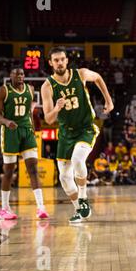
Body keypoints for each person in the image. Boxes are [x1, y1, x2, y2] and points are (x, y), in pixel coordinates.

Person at [41, 46, 114, 223]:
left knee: (78, 160)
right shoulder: (47, 86)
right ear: (51, 63)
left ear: (67, 60)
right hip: (66, 133)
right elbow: (49, 119)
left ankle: (83, 197)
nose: (59, 63)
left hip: (86, 128)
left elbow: (97, 77)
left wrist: (108, 100)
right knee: (64, 178)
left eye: (62, 59)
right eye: (56, 60)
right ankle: (80, 210)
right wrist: (57, 108)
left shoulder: (80, 74)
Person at [0, 68, 49, 220]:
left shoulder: (30, 89)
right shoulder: (3, 91)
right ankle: (4, 209)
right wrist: (6, 121)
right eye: (16, 74)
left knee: (33, 169)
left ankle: (41, 207)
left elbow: (29, 111)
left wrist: (32, 125)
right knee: (9, 171)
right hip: (10, 132)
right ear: (10, 76)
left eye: (22, 74)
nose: (20, 76)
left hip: (26, 131)